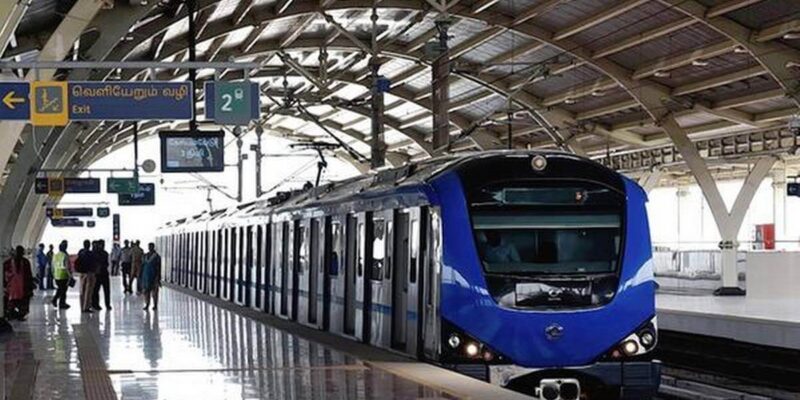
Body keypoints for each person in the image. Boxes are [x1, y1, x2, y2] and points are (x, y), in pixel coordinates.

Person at [3, 246, 34, 320]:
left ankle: (20, 314)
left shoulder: (25, 262)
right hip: (12, 288)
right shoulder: (8, 263)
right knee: (11, 303)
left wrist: (30, 286)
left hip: (22, 288)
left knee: (22, 303)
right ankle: (11, 314)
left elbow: (29, 275)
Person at [76, 240, 97, 313]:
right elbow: (94, 264)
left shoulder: (81, 252)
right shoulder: (91, 254)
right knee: (88, 291)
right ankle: (86, 307)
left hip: (82, 274)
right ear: (89, 245)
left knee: (82, 290)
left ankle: (82, 306)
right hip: (89, 273)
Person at [51, 241, 72, 309]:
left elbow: (53, 266)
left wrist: (53, 274)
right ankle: (60, 303)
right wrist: (70, 275)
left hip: (57, 275)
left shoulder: (55, 255)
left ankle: (58, 301)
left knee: (60, 289)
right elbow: (66, 266)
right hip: (63, 275)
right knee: (63, 291)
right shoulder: (64, 255)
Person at [141, 243, 161, 311]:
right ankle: (147, 304)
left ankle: (155, 305)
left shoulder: (157, 256)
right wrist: (140, 275)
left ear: (153, 247)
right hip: (146, 276)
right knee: (146, 291)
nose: (150, 248)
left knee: (154, 292)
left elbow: (158, 267)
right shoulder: (145, 256)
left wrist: (158, 277)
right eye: (149, 246)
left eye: (151, 246)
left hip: (154, 275)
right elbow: (142, 265)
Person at [92, 240, 111, 311]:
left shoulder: (103, 253)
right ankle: (97, 304)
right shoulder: (99, 253)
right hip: (99, 274)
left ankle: (105, 304)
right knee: (97, 290)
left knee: (103, 290)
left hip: (102, 273)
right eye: (101, 244)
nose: (103, 246)